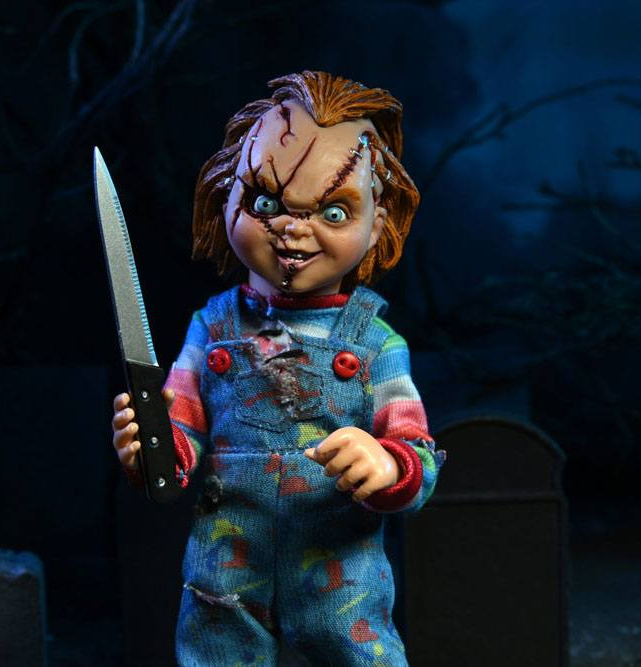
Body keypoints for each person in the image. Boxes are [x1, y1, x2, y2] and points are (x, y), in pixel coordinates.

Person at [110, 71, 444, 666]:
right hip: (226, 559)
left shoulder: (377, 344)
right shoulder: (213, 328)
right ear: (225, 198)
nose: (293, 229)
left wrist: (388, 464)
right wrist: (152, 447)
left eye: (335, 212)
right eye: (265, 203)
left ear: (378, 225)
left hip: (339, 567)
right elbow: (180, 426)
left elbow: (418, 452)